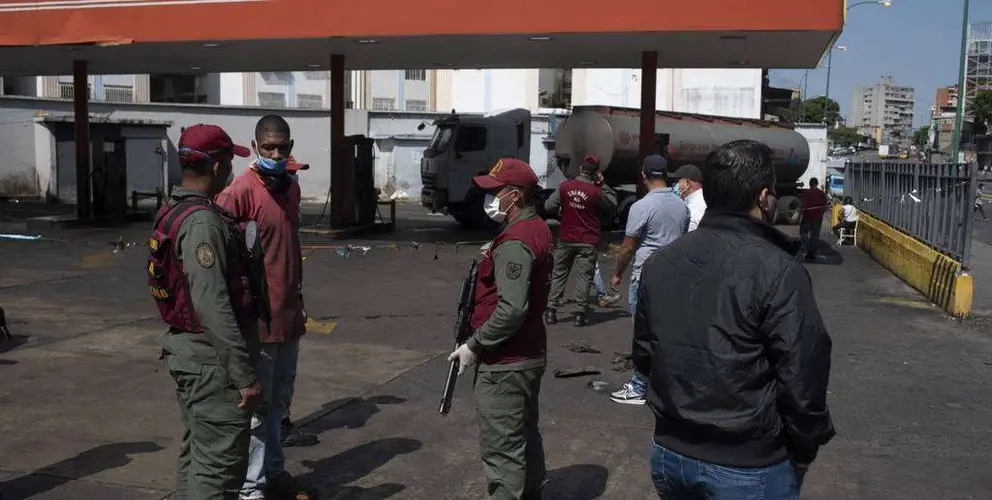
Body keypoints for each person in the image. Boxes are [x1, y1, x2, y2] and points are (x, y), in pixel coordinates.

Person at [635, 140, 835, 499]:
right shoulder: (779, 269)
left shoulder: (661, 261)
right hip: (747, 464)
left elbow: (645, 356)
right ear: (764, 197)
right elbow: (804, 374)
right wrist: (803, 450)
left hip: (670, 454)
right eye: (773, 192)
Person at [148, 124, 262, 500]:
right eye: (230, 161)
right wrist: (243, 374)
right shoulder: (202, 223)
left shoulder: (174, 211)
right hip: (212, 364)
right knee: (218, 470)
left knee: (197, 458)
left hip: (189, 354)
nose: (232, 170)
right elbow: (212, 304)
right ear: (215, 166)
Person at [214, 115, 311, 500]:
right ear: (254, 147)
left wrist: (299, 302)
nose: (275, 153)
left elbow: (290, 250)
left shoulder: (291, 188)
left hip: (289, 316)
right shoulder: (239, 192)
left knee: (280, 404)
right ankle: (251, 489)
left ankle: (274, 471)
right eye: (267, 147)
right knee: (258, 408)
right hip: (259, 321)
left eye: (282, 146)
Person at [447, 157, 553, 500]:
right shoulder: (535, 226)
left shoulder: (515, 241)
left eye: (497, 192)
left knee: (502, 448)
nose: (490, 199)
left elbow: (511, 310)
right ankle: (533, 490)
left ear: (517, 195)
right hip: (529, 353)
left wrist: (474, 345)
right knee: (524, 433)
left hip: (505, 362)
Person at [609, 154, 689, 405]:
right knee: (666, 331)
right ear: (667, 175)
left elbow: (627, 248)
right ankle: (663, 384)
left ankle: (638, 386)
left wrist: (617, 273)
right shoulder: (682, 206)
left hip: (646, 275)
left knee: (641, 333)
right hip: (674, 275)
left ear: (643, 175)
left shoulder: (641, 207)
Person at [543, 154, 617, 326]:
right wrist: (602, 184)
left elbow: (548, 206)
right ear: (596, 173)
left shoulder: (565, 186)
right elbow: (612, 205)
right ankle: (579, 314)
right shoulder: (596, 191)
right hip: (587, 240)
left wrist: (563, 208)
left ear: (580, 169)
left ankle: (551, 311)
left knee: (559, 274)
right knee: (584, 277)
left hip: (566, 237)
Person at [799, 177, 829, 260]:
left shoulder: (807, 193)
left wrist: (799, 216)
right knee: (815, 235)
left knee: (803, 233)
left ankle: (809, 247)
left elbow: (803, 206)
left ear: (809, 184)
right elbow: (825, 207)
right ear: (817, 183)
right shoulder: (822, 194)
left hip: (807, 217)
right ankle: (812, 252)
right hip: (818, 218)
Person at [671, 164, 707, 232]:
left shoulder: (695, 208)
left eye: (676, 181)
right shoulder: (703, 199)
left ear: (687, 183)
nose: (674, 186)